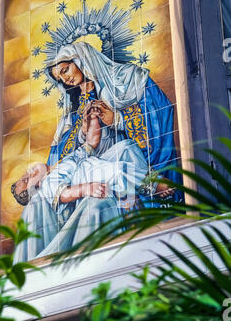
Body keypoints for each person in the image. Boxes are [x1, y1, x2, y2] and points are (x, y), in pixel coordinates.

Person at [12, 41, 180, 261]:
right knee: (110, 175)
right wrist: (82, 131)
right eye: (61, 78)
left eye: (66, 70)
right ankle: (148, 185)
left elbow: (160, 113)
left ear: (81, 59)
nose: (67, 79)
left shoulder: (128, 79)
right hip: (95, 175)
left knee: (125, 149)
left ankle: (150, 186)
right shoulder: (71, 115)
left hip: (117, 160)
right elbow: (74, 152)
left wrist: (117, 119)